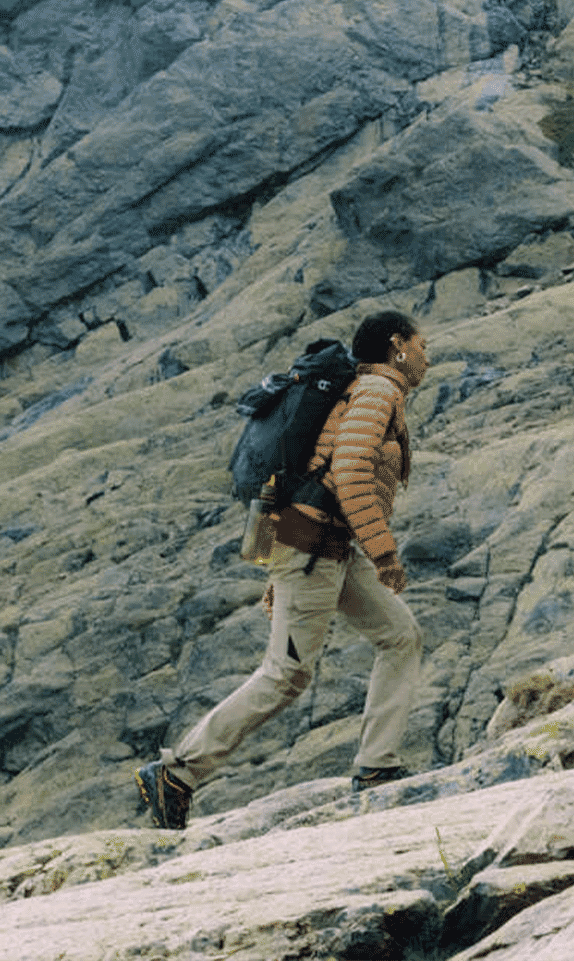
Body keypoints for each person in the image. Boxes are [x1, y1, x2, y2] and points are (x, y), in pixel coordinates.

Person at [135, 311, 429, 830]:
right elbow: (349, 472)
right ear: (397, 345)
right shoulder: (376, 391)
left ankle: (376, 766)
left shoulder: (364, 391)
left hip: (327, 547)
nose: (426, 356)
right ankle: (177, 772)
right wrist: (385, 555)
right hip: (312, 547)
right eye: (421, 345)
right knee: (286, 674)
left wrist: (282, 569)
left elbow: (314, 474)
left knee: (401, 636)